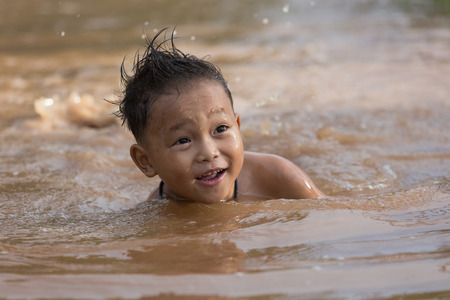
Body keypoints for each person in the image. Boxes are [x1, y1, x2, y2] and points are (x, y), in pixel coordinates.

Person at [115, 29, 325, 203]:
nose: (209, 153)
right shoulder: (159, 214)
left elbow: (331, 219)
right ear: (146, 161)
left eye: (221, 129)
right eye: (183, 140)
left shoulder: (278, 177)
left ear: (238, 125)